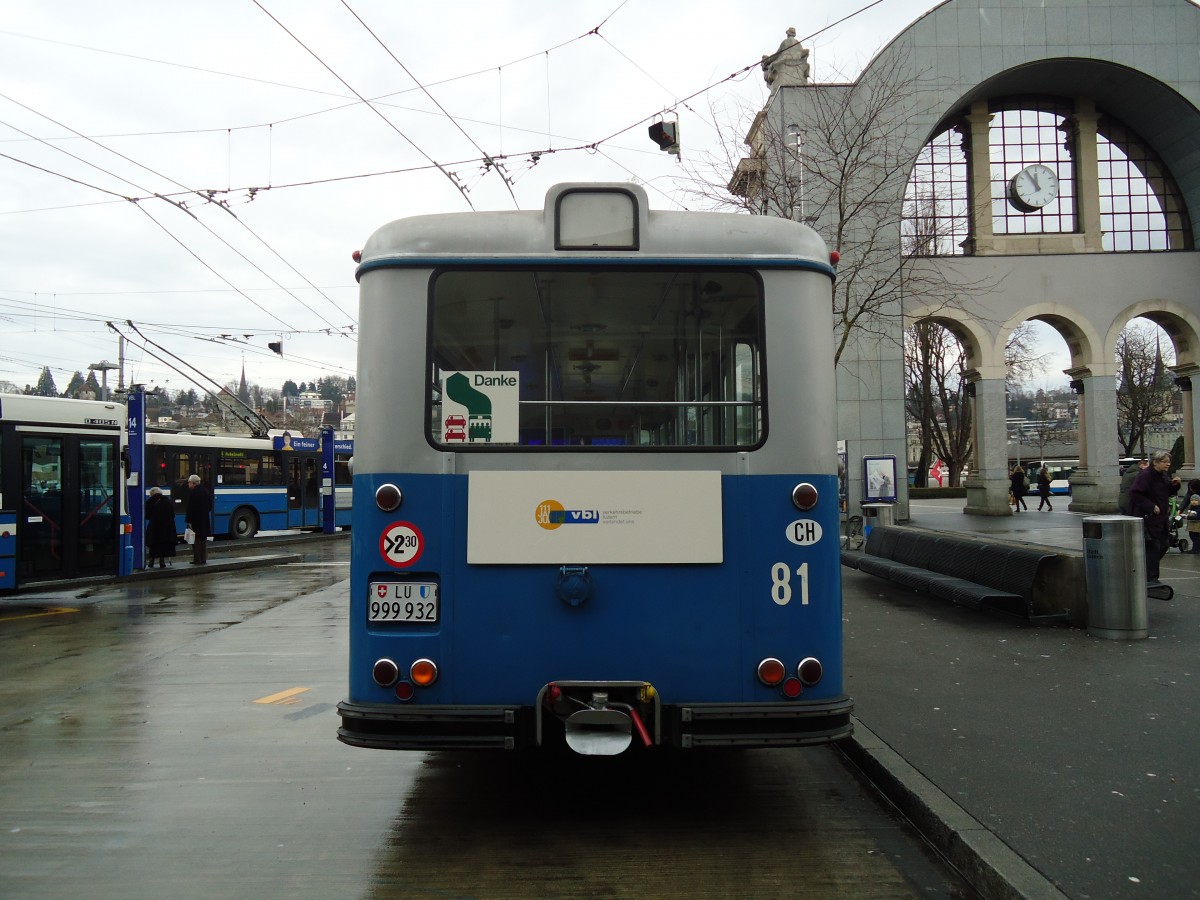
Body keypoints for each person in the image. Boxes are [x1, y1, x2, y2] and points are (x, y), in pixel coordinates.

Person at [1129, 450, 1181, 585]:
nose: (1168, 464)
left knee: (1164, 544)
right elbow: (1135, 493)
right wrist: (1151, 506)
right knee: (1153, 547)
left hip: (1161, 518)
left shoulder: (1163, 475)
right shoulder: (1145, 476)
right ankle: (1151, 579)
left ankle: (1145, 571)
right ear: (1155, 462)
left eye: (1169, 462)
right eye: (1164, 462)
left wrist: (1175, 485)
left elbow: (1168, 491)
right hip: (1148, 518)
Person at [144, 486, 177, 568]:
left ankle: (151, 561)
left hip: (154, 527)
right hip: (166, 528)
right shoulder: (168, 501)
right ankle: (162, 561)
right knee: (163, 544)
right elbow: (173, 515)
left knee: (153, 544)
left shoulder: (150, 501)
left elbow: (147, 516)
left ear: (152, 494)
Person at [184, 473, 212, 566]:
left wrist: (188, 520)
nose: (188, 484)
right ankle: (203, 559)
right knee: (203, 540)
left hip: (196, 521)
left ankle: (197, 559)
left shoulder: (194, 492)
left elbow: (191, 508)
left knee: (195, 541)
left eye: (189, 483)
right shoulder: (206, 491)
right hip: (204, 519)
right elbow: (210, 506)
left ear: (193, 483)